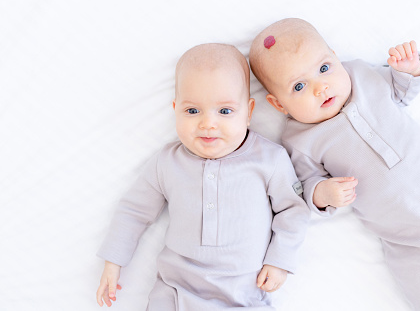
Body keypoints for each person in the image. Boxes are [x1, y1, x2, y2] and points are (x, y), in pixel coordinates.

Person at [248, 18, 420, 311]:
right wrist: (323, 193)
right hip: (417, 246)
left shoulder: (362, 75)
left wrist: (410, 69)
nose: (320, 88)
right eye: (298, 86)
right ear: (279, 104)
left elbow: (401, 89)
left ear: (335, 57)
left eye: (323, 69)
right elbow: (305, 185)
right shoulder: (299, 140)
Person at [96, 43, 310, 310]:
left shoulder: (270, 159)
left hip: (244, 292)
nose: (208, 123)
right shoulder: (167, 162)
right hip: (176, 288)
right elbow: (134, 211)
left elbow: (293, 210)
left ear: (249, 112)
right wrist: (113, 262)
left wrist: (279, 261)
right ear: (175, 109)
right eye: (193, 111)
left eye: (225, 111)